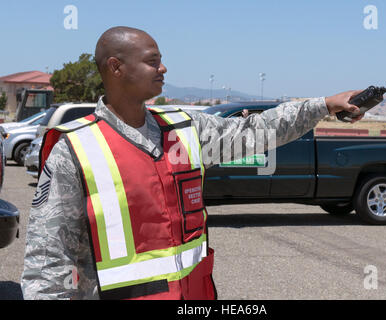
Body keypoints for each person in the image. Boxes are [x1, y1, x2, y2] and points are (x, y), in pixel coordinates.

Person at [21, 26, 363, 300]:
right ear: (116, 67)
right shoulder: (75, 149)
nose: (163, 68)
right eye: (152, 61)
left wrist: (325, 105)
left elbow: (256, 131)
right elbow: (49, 259)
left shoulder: (185, 128)